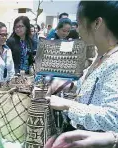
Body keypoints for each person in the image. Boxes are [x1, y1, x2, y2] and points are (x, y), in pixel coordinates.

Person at [47, 0, 118, 140]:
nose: (77, 29)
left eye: (79, 23)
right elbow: (87, 86)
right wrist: (69, 85)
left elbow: (113, 119)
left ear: (97, 23)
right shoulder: (103, 56)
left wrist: (68, 105)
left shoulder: (114, 63)